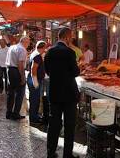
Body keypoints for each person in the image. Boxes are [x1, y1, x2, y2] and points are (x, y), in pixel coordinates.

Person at [45, 27, 80, 158]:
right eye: (71, 37)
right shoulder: (70, 52)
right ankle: (67, 154)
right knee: (69, 125)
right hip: (69, 94)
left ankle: (51, 152)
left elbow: (47, 71)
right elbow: (76, 72)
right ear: (67, 37)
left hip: (54, 93)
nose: (71, 40)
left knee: (54, 123)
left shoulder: (49, 52)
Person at [5, 36, 30, 120]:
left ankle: (8, 113)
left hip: (10, 70)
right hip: (16, 71)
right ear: (24, 42)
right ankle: (15, 113)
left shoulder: (12, 47)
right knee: (20, 93)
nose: (29, 44)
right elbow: (20, 65)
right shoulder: (22, 49)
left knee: (11, 93)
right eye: (28, 42)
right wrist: (23, 77)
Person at [27, 41, 47, 124]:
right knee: (35, 99)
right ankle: (34, 118)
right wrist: (35, 81)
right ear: (42, 47)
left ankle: (34, 116)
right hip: (34, 79)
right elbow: (33, 69)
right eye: (45, 48)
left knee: (34, 99)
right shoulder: (37, 56)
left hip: (33, 78)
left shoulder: (34, 54)